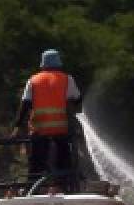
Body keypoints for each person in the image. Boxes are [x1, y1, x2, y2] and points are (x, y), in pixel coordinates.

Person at [12, 49, 83, 183]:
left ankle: (32, 189)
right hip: (60, 130)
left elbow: (25, 104)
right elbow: (78, 99)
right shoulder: (67, 79)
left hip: (39, 130)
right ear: (59, 64)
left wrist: (17, 126)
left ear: (43, 64)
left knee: (36, 164)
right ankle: (64, 186)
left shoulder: (33, 80)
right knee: (64, 160)